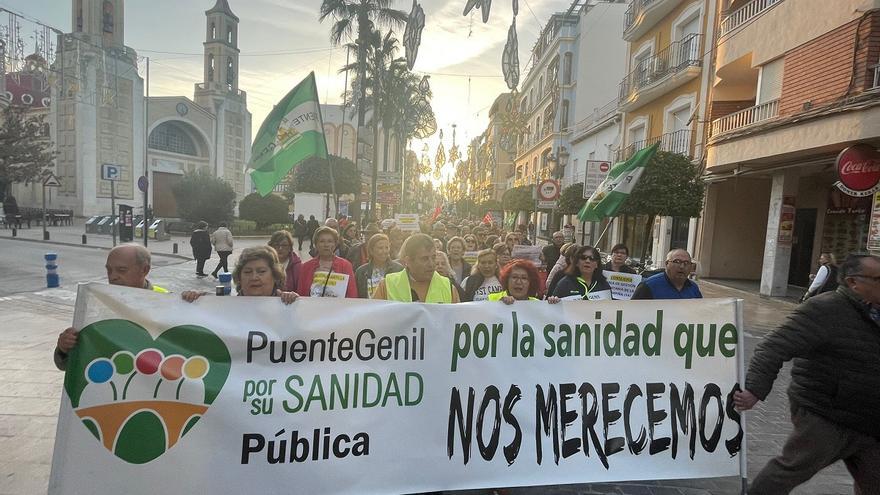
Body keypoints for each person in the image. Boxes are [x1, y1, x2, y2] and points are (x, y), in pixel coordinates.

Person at [733, 254, 880, 494]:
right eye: (878, 278)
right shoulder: (825, 308)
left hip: (870, 419)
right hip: (826, 414)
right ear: (854, 282)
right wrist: (754, 390)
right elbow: (773, 346)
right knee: (788, 471)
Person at [54, 244, 168, 370]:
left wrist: (191, 303)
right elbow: (70, 363)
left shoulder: (168, 302)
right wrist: (63, 348)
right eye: (109, 270)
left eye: (121, 270)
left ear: (144, 270)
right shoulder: (96, 304)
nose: (112, 276)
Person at [182, 246, 298, 304]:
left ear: (275, 275)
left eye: (261, 271)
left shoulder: (289, 304)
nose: (254, 277)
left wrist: (297, 303)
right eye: (247, 272)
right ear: (239, 278)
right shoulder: (223, 306)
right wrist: (197, 299)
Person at [371, 233, 460, 303]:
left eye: (433, 257)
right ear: (408, 261)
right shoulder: (387, 286)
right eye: (424, 259)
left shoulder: (449, 288)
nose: (431, 264)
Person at [297, 226, 358, 298]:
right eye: (322, 241)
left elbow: (352, 294)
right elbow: (300, 294)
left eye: (330, 241)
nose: (326, 245)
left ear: (335, 244)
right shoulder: (306, 267)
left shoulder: (346, 265)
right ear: (316, 244)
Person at [631, 249, 702, 299]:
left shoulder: (693, 288)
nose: (682, 266)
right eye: (677, 262)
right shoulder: (648, 286)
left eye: (686, 263)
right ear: (667, 264)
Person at [354, 233, 404, 298]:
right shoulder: (361, 272)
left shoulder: (398, 269)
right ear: (371, 250)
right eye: (380, 248)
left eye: (387, 247)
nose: (384, 251)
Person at [489, 259, 560, 304]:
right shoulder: (491, 299)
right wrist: (498, 305)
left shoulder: (537, 304)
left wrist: (553, 307)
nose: (518, 282)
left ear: (531, 283)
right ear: (507, 280)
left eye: (524, 278)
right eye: (514, 277)